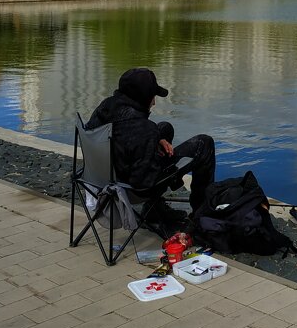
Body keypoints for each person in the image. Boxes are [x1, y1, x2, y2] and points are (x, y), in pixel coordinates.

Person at [86, 68, 215, 218]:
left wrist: (156, 140)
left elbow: (128, 134)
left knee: (164, 128)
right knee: (204, 144)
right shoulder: (144, 130)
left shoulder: (105, 107)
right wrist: (171, 171)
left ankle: (155, 209)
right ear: (142, 97)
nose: (154, 102)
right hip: (129, 189)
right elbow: (144, 183)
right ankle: (202, 215)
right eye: (152, 96)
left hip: (99, 177)